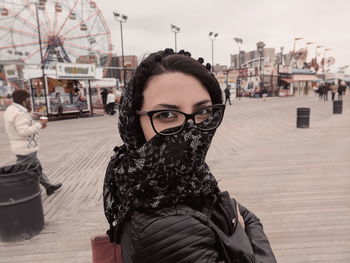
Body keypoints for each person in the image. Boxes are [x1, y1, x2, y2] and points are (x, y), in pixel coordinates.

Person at [103, 49, 276, 263]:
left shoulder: (156, 178)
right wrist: (238, 233)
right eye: (166, 115)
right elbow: (241, 218)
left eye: (203, 111)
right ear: (134, 122)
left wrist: (240, 225)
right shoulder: (165, 229)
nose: (191, 130)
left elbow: (246, 216)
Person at [4, 90, 62, 195]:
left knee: (36, 167)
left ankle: (48, 186)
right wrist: (39, 124)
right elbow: (24, 131)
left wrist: (35, 122)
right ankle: (16, 192)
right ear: (24, 100)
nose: (30, 101)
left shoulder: (11, 110)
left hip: (22, 146)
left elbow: (22, 126)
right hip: (25, 148)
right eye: (28, 99)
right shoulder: (19, 113)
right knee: (24, 172)